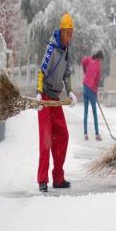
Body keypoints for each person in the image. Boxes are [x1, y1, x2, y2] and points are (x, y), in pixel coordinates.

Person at [36, 12, 77, 192]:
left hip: (56, 99)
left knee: (63, 135)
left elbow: (67, 74)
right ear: (61, 31)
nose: (70, 36)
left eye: (71, 33)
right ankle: (42, 179)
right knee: (46, 139)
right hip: (44, 98)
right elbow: (41, 72)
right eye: (67, 33)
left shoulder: (67, 49)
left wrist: (71, 92)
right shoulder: (51, 49)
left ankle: (58, 178)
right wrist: (38, 94)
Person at [81, 50, 104, 141]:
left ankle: (85, 134)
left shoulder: (89, 59)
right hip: (91, 89)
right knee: (94, 113)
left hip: (85, 86)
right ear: (99, 58)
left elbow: (83, 62)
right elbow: (97, 81)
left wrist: (85, 73)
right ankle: (97, 134)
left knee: (85, 112)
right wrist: (95, 92)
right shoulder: (98, 65)